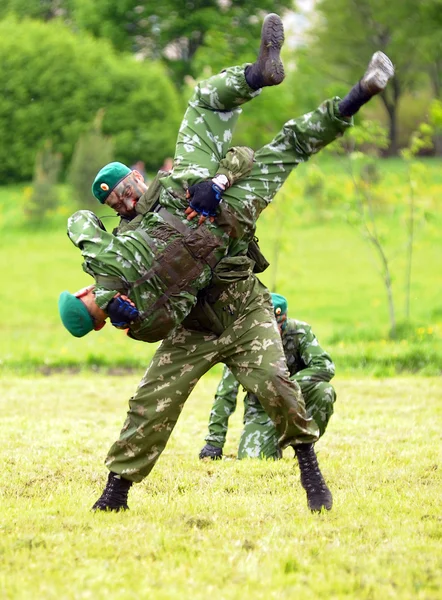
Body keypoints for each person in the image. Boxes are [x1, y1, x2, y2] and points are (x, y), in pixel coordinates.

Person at [59, 14, 394, 513]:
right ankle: (115, 494)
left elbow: (241, 155)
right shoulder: (128, 253)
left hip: (242, 310)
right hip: (192, 331)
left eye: (125, 187)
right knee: (150, 404)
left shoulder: (179, 182)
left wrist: (215, 186)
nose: (125, 199)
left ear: (135, 176)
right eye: (116, 200)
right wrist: (131, 317)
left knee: (277, 387)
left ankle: (318, 87)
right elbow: (153, 310)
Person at [199, 293, 336, 462]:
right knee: (253, 462)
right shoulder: (244, 342)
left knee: (324, 391)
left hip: (298, 403)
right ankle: (270, 443)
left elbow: (325, 366)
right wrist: (214, 442)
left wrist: (285, 385)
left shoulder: (300, 332)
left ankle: (305, 449)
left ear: (284, 320)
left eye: (276, 325)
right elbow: (226, 393)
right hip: (262, 412)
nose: (272, 331)